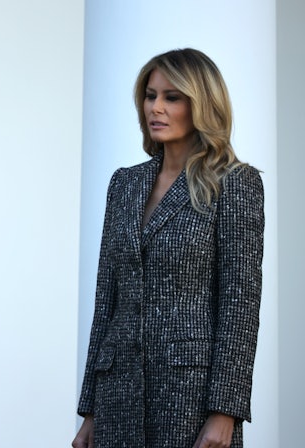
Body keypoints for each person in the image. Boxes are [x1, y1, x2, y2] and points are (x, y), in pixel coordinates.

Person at [72, 48, 264, 448]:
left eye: (171, 97)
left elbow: (239, 306)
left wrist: (224, 412)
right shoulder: (124, 184)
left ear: (202, 104)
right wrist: (89, 408)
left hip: (190, 396)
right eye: (150, 95)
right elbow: (106, 300)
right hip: (117, 396)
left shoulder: (235, 183)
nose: (155, 108)